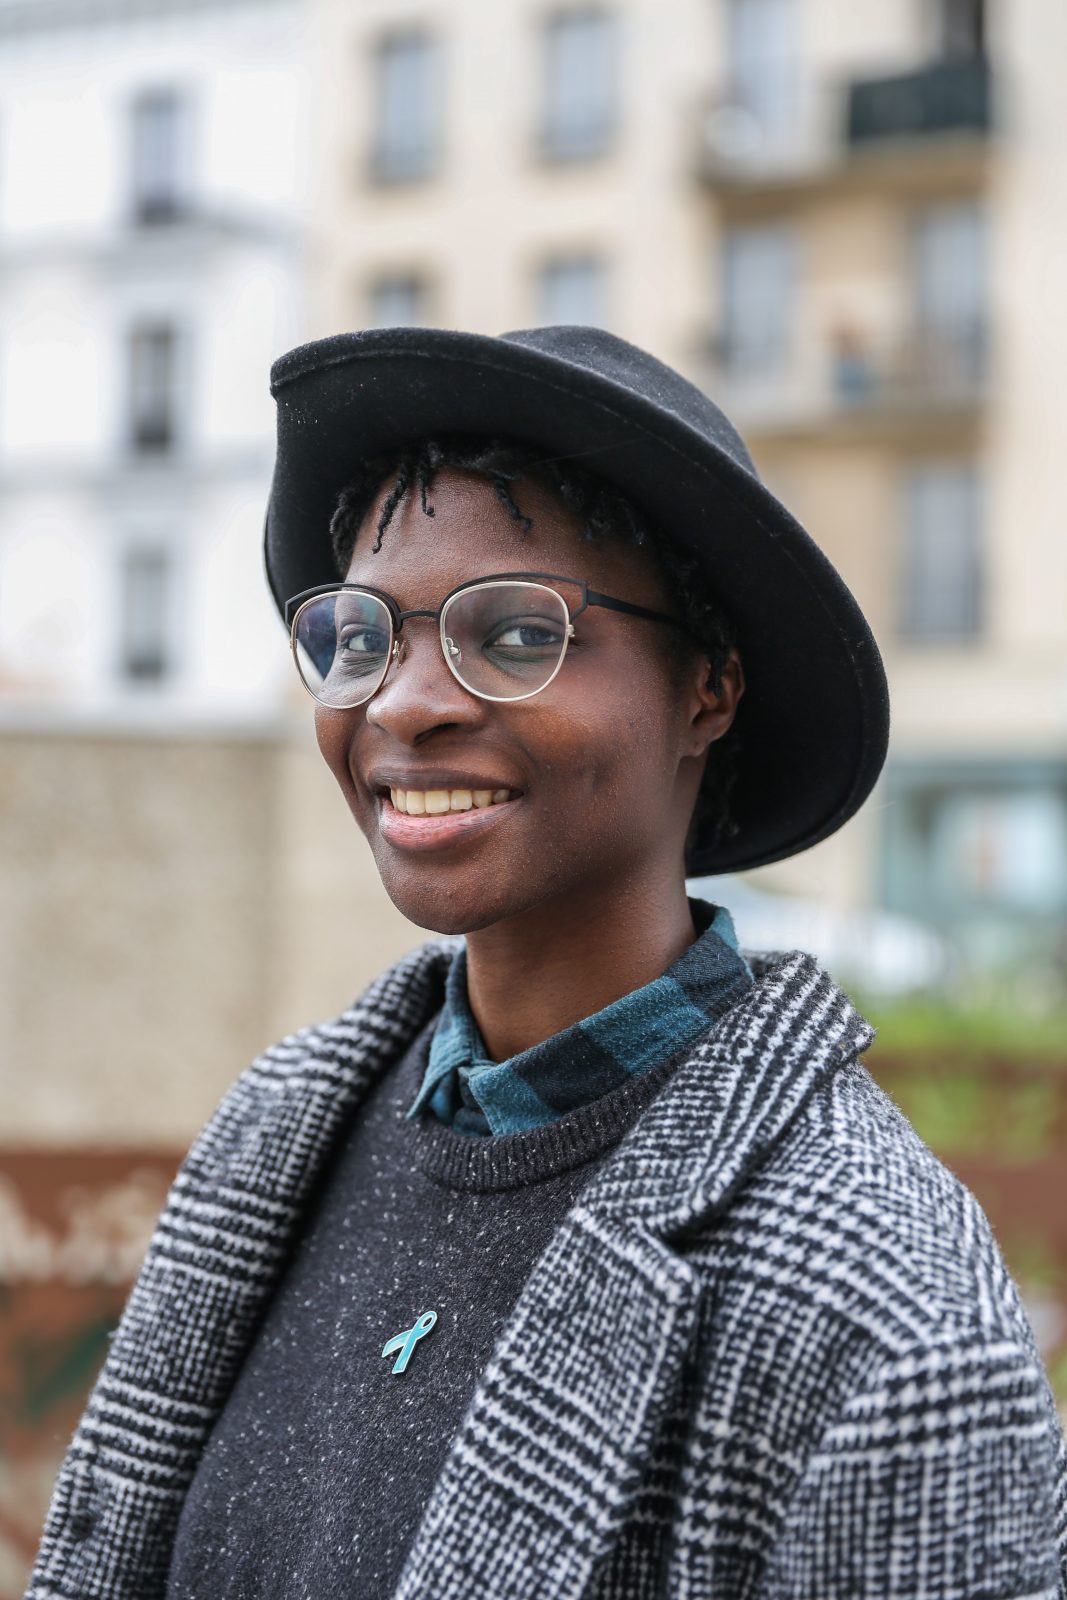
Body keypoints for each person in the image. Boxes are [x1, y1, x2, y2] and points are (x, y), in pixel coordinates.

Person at [28, 326, 1067, 1599]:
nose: (402, 702)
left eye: (514, 634)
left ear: (708, 689)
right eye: (360, 636)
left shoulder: (875, 1298)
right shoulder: (275, 1134)